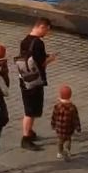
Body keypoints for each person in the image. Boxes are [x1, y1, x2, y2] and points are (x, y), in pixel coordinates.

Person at [16, 18, 56, 150]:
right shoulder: (38, 43)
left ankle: (30, 132)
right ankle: (26, 137)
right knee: (31, 111)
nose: (46, 34)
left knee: (30, 108)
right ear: (42, 27)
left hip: (24, 79)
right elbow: (41, 64)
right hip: (35, 81)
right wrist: (50, 59)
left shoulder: (24, 41)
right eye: (47, 30)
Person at [51, 85, 82, 161]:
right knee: (68, 140)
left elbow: (54, 116)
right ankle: (67, 150)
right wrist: (78, 128)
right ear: (70, 95)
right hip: (69, 128)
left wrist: (53, 124)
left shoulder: (57, 106)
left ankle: (60, 152)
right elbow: (75, 119)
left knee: (60, 141)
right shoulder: (72, 107)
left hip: (59, 128)